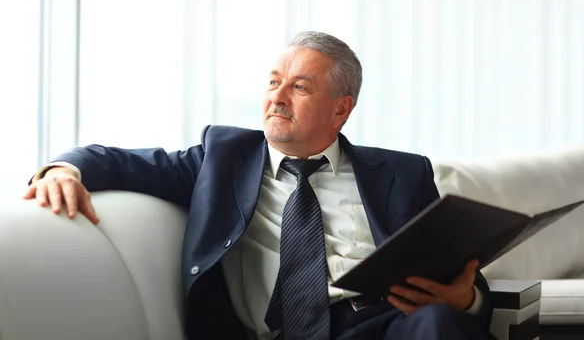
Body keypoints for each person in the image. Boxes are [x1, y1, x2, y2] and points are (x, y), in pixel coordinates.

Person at [24, 31, 493, 340]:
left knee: (436, 322)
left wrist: (466, 299)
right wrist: (63, 170)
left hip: (379, 325)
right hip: (275, 331)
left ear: (340, 109)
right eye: (273, 82)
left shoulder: (403, 174)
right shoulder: (222, 157)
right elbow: (116, 161)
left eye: (300, 87)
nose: (277, 97)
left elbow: (460, 275)